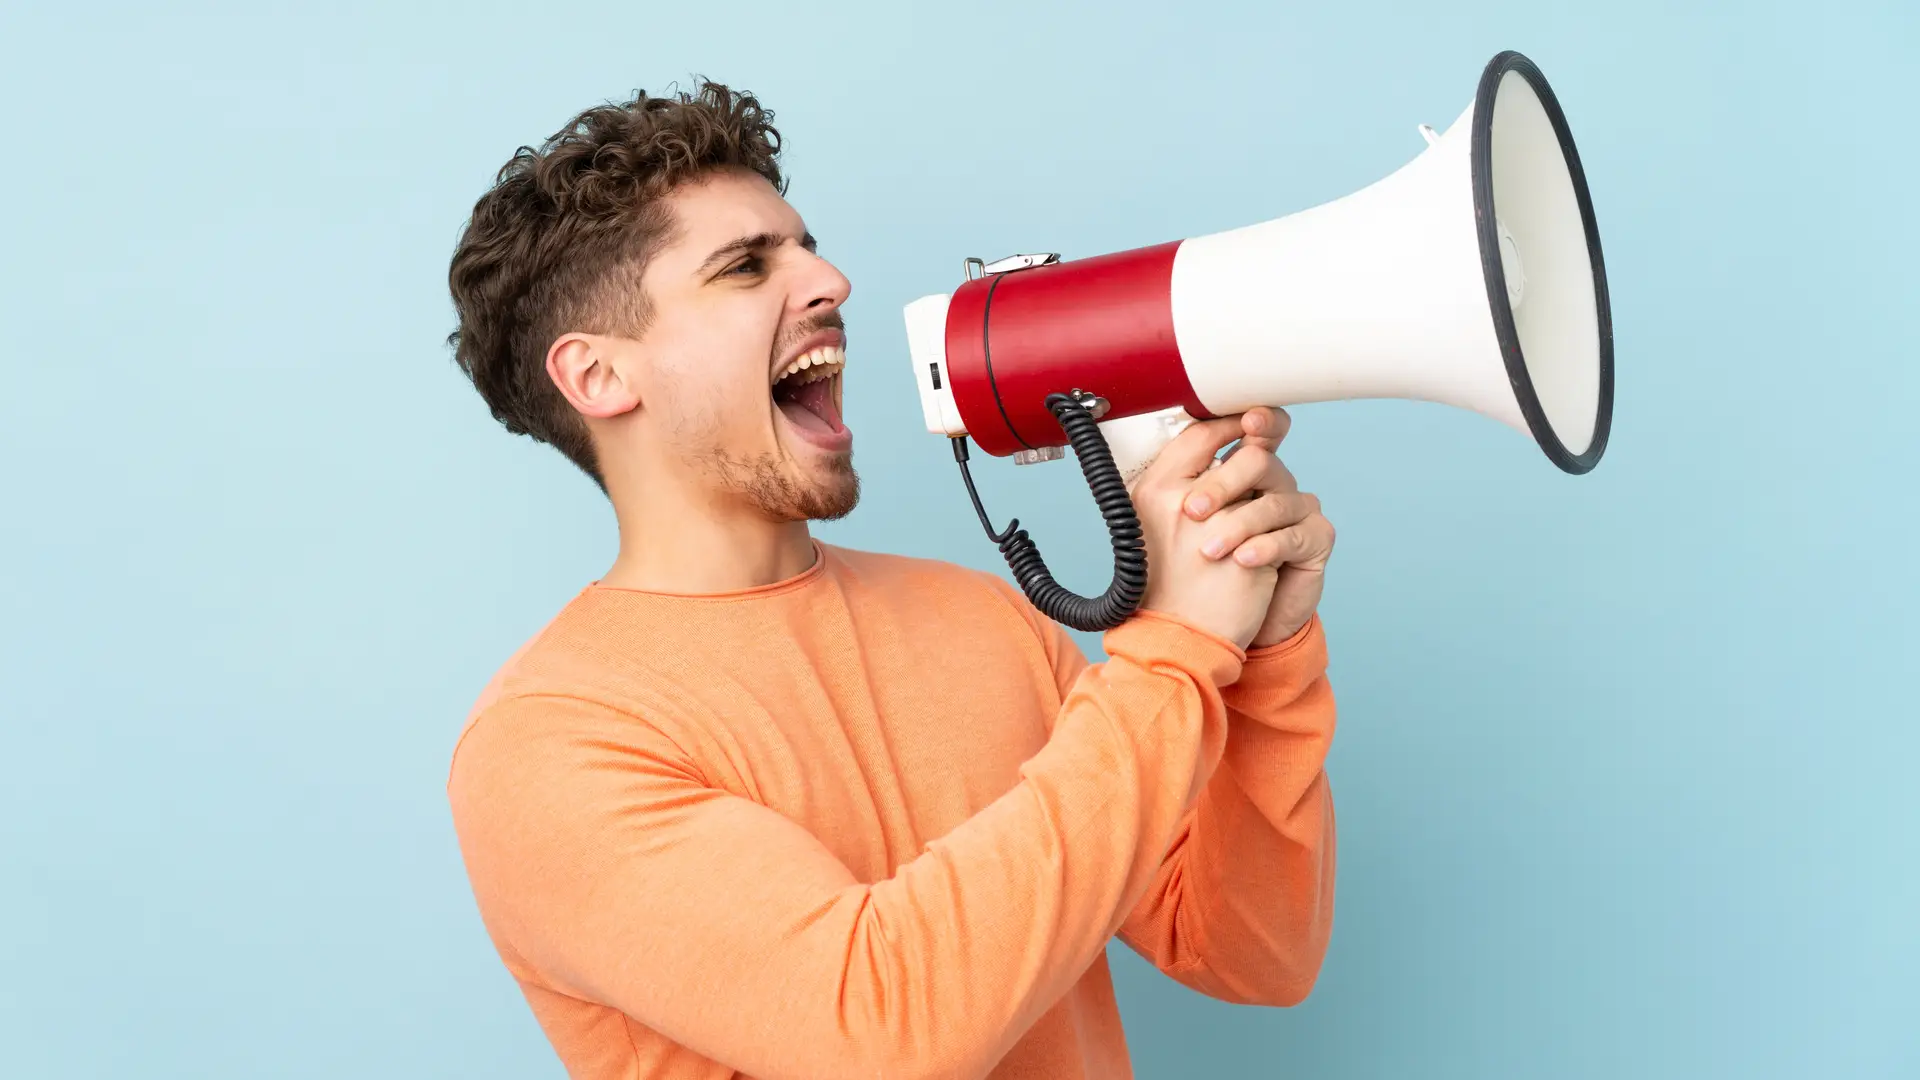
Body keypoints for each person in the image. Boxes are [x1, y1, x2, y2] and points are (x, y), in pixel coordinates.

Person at [442, 80, 1339, 1080]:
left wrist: (1261, 661)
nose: (831, 280)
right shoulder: (550, 743)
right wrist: (1174, 651)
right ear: (600, 377)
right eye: (745, 268)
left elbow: (1251, 952)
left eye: (805, 246)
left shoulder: (978, 619)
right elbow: (880, 1029)